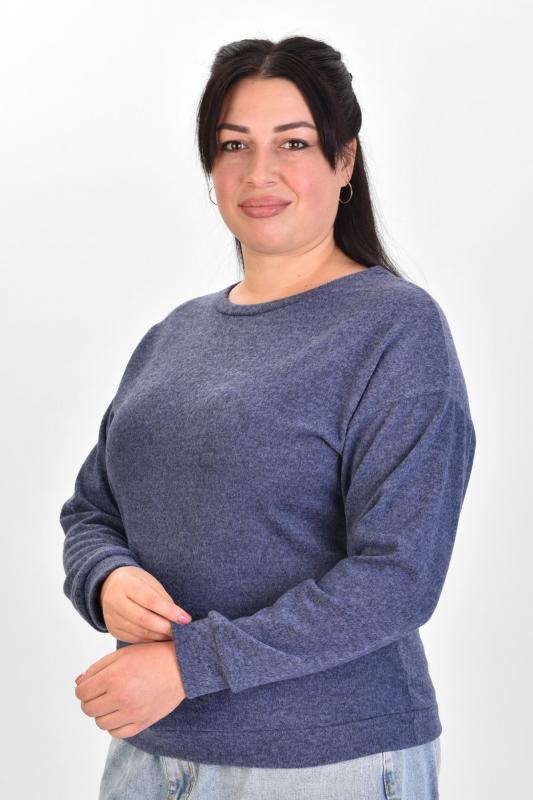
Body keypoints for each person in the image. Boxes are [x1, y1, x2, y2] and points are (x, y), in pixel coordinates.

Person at [60, 35, 476, 799]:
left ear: (344, 161)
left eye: (293, 142)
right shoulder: (173, 335)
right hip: (150, 754)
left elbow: (398, 576)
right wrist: (104, 578)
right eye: (233, 145)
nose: (258, 172)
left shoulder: (394, 330)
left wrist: (189, 665)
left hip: (323, 762)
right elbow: (92, 509)